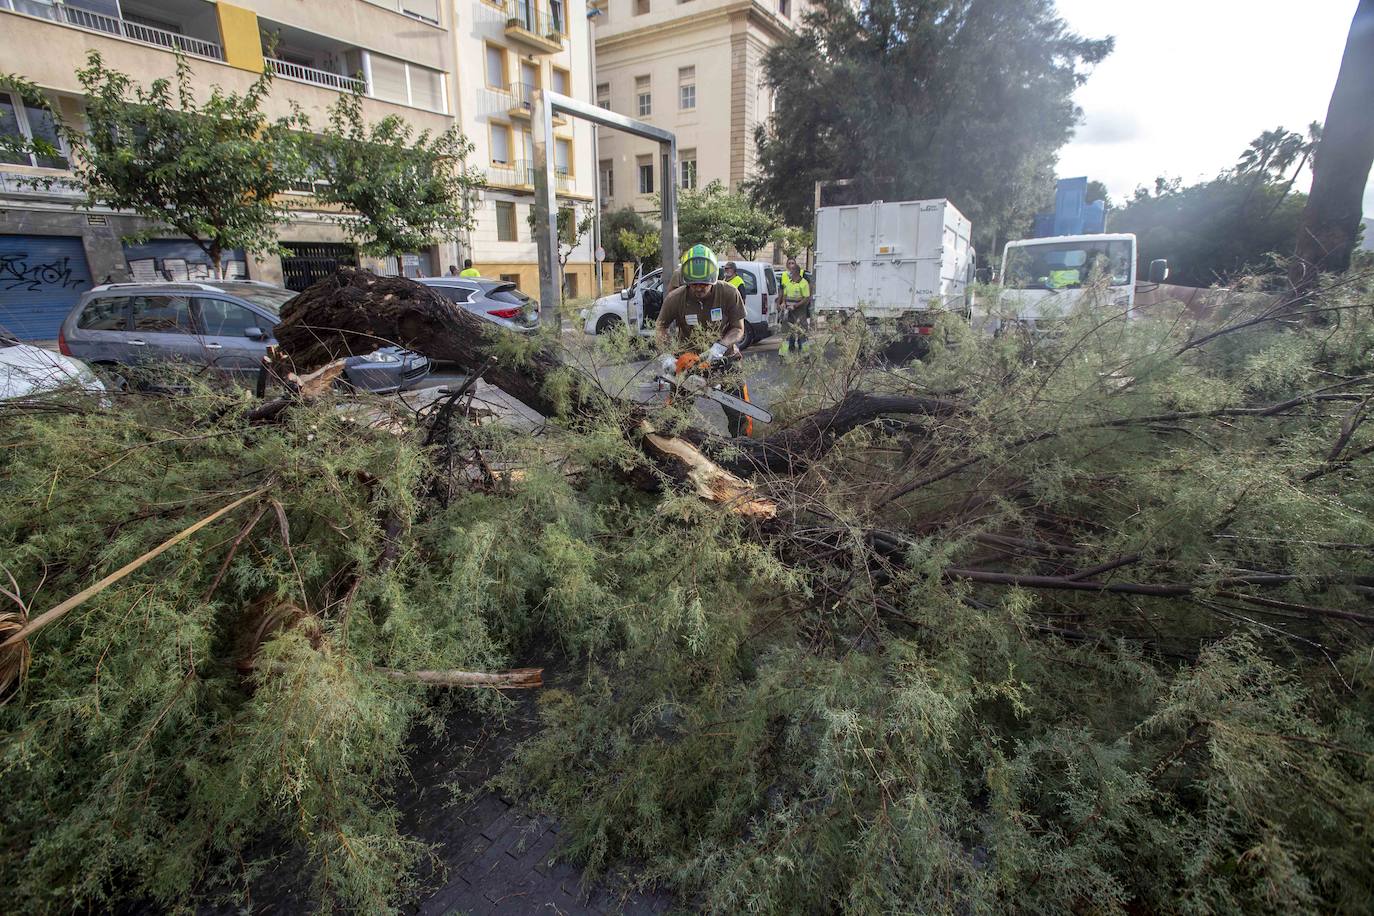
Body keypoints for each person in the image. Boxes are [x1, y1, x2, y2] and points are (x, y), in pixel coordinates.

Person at [655, 244, 753, 437]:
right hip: (688, 360)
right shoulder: (676, 298)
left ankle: (744, 448)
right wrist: (666, 356)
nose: (698, 288)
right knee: (675, 413)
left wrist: (719, 347)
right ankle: (671, 447)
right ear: (686, 281)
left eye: (704, 284)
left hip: (724, 359)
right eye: (694, 284)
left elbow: (738, 328)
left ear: (713, 280)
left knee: (740, 412)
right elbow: (660, 327)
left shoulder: (729, 293)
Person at [778, 256, 812, 356]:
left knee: (802, 333)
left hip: (799, 311)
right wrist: (783, 303)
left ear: (796, 273)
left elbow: (806, 298)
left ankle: (805, 355)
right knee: (786, 333)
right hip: (788, 311)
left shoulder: (804, 283)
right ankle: (783, 354)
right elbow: (785, 293)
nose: (790, 273)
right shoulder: (789, 282)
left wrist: (795, 306)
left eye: (792, 272)